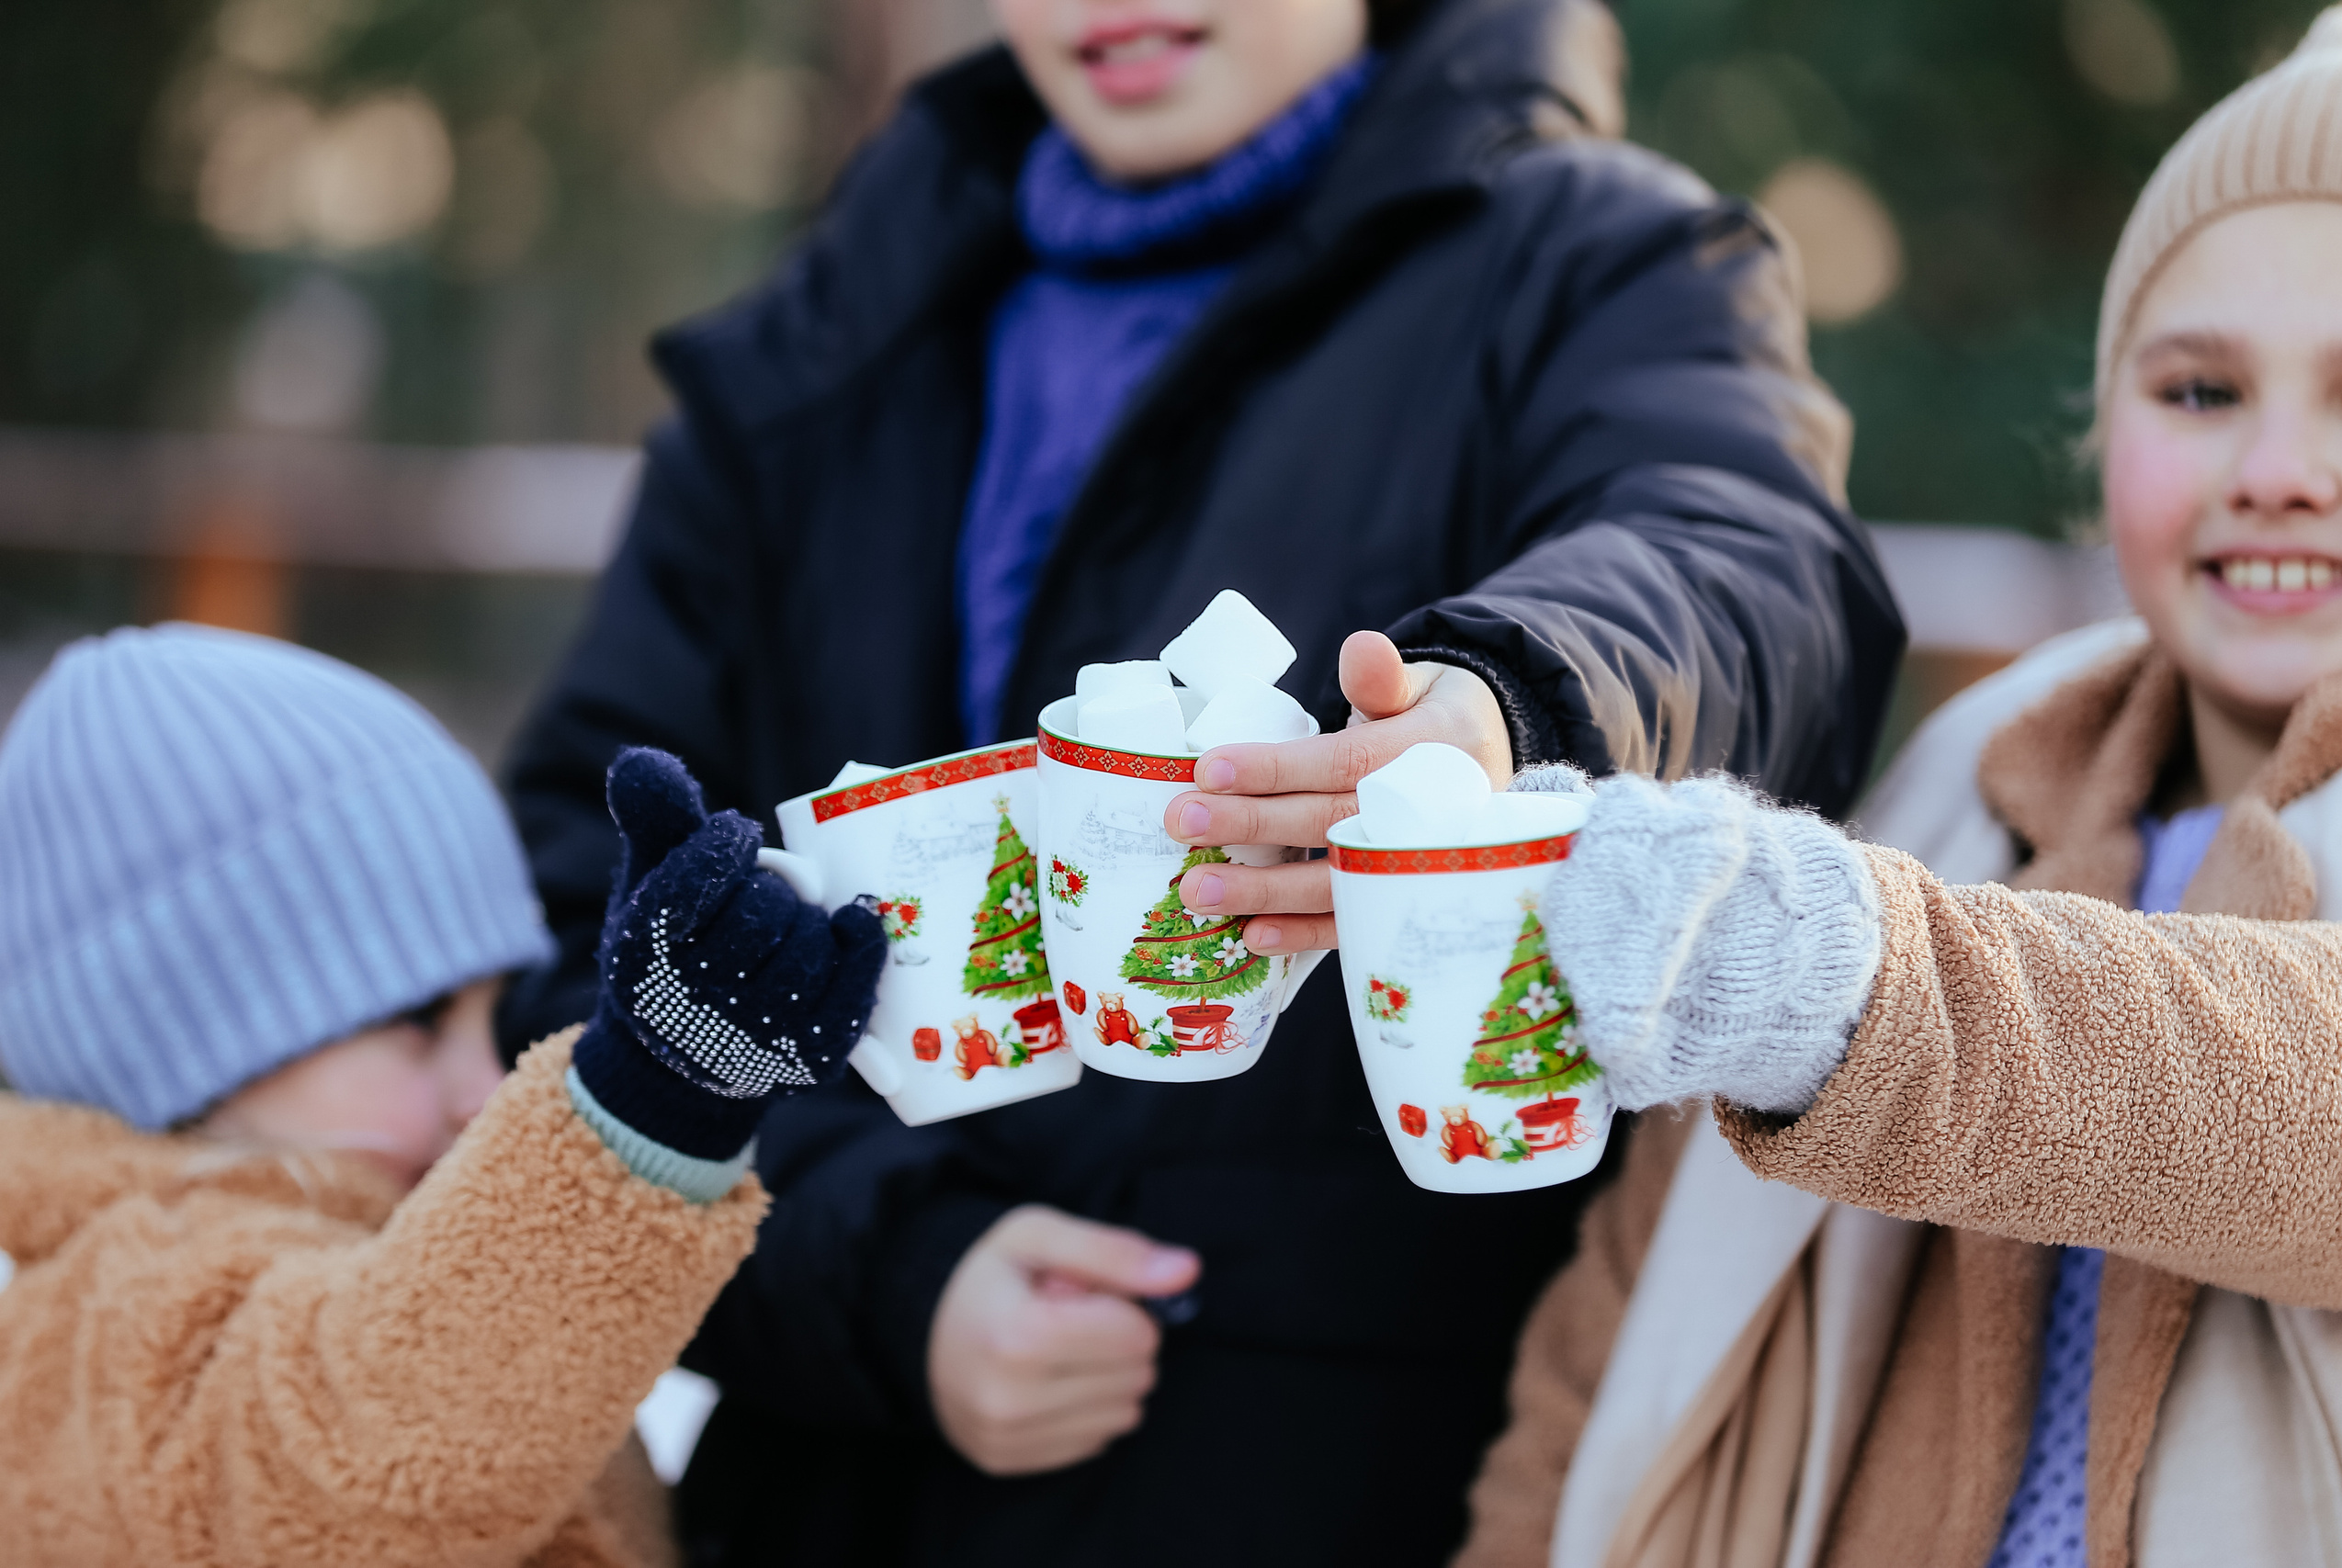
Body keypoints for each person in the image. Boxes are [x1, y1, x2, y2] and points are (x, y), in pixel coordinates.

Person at [496, 0, 1904, 1561]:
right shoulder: (825, 334)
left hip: (1352, 1485)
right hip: (814, 1493)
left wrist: (1516, 695)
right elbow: (582, 906)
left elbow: (1749, 564)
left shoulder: (1604, 266)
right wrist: (887, 1269)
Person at [1457, 13, 2342, 1564]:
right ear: (2101, 426)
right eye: (2198, 391)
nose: (2276, 465)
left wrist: (1844, 974)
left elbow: (2299, 1097)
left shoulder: (1865, 905)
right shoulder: (1955, 786)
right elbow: (1605, 1348)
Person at [0, 624, 884, 1567]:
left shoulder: (397, 1246)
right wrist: (656, 1099)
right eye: (418, 1019)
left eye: (492, 1014)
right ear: (175, 1042)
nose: (484, 1085)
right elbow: (359, 1459)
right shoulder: (119, 1319)